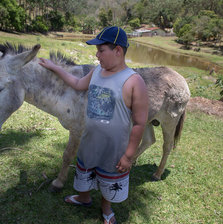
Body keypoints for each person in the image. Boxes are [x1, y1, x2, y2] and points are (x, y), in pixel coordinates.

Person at [39, 26, 148, 224]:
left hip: (114, 150)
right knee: (85, 171)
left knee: (109, 179)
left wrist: (129, 155)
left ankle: (106, 208)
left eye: (101, 50)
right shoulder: (98, 71)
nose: (96, 55)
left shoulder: (133, 81)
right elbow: (79, 84)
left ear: (118, 51)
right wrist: (55, 68)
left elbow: (140, 123)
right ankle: (84, 197)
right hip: (90, 142)